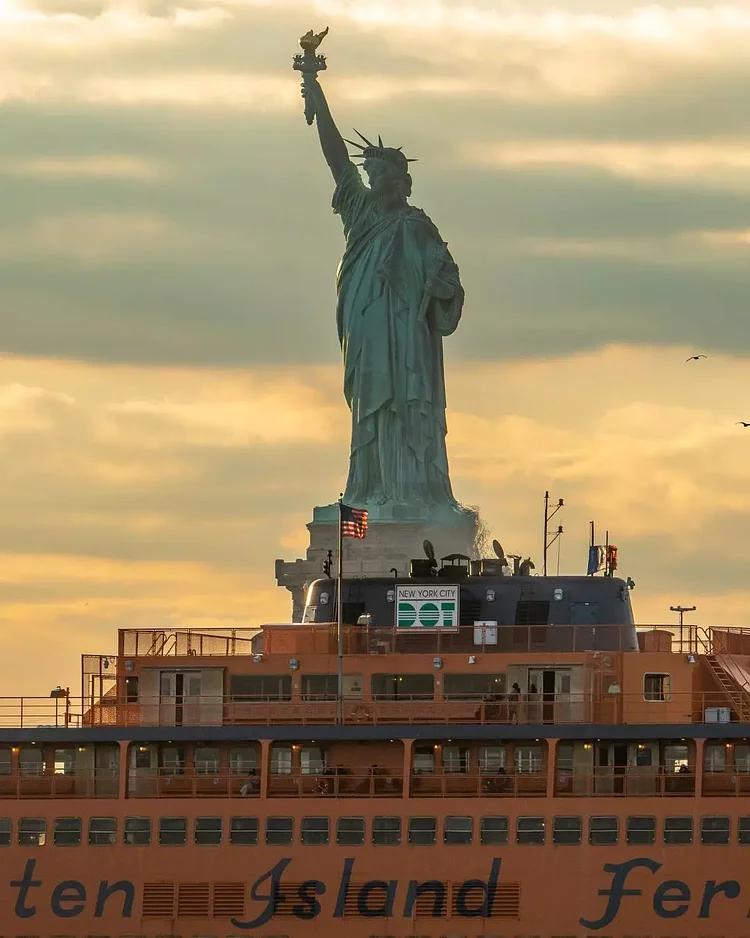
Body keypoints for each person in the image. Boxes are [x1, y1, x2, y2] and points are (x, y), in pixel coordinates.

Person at [304, 77, 465, 508]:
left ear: (401, 181)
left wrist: (442, 288)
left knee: (408, 403)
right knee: (372, 406)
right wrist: (318, 98)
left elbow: (449, 282)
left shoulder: (418, 227)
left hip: (409, 337)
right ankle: (370, 487)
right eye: (370, 174)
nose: (373, 180)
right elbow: (338, 160)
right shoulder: (360, 212)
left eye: (381, 174)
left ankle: (412, 489)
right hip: (368, 328)